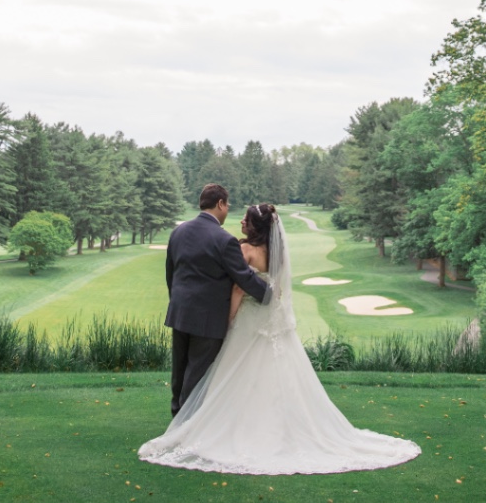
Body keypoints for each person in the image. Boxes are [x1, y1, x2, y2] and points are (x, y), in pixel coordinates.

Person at [140, 201, 421, 475]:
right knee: (272, 375)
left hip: (242, 320)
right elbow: (275, 287)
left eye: (246, 219)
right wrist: (268, 296)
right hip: (270, 321)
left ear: (254, 226)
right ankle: (276, 428)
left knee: (223, 374)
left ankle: (190, 424)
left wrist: (227, 322)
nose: (241, 221)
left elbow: (238, 290)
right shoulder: (278, 253)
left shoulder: (244, 249)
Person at [161, 183, 273, 417]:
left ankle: (176, 416)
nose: (228, 209)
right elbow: (243, 278)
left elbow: (171, 273)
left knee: (179, 371)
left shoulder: (178, 232)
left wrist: (178, 303)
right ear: (220, 204)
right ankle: (186, 426)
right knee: (197, 373)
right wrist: (270, 294)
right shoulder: (225, 240)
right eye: (227, 204)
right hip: (208, 319)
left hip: (180, 312)